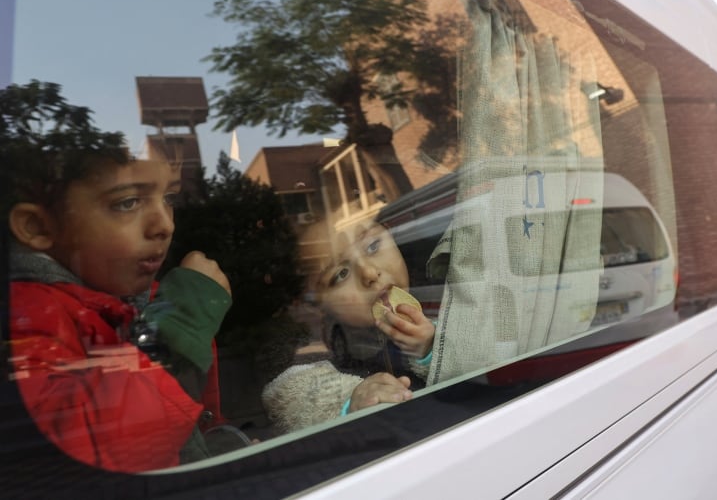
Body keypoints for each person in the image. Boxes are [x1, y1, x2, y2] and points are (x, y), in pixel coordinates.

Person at [5, 126, 232, 472]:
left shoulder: (147, 302)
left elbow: (195, 420)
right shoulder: (27, 318)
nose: (165, 225)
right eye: (127, 202)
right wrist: (182, 325)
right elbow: (96, 451)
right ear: (38, 227)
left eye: (168, 199)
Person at [262, 219, 434, 433]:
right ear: (314, 304)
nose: (370, 274)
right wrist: (348, 406)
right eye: (340, 274)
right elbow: (294, 396)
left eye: (373, 246)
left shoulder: (440, 315)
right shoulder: (312, 356)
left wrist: (430, 349)